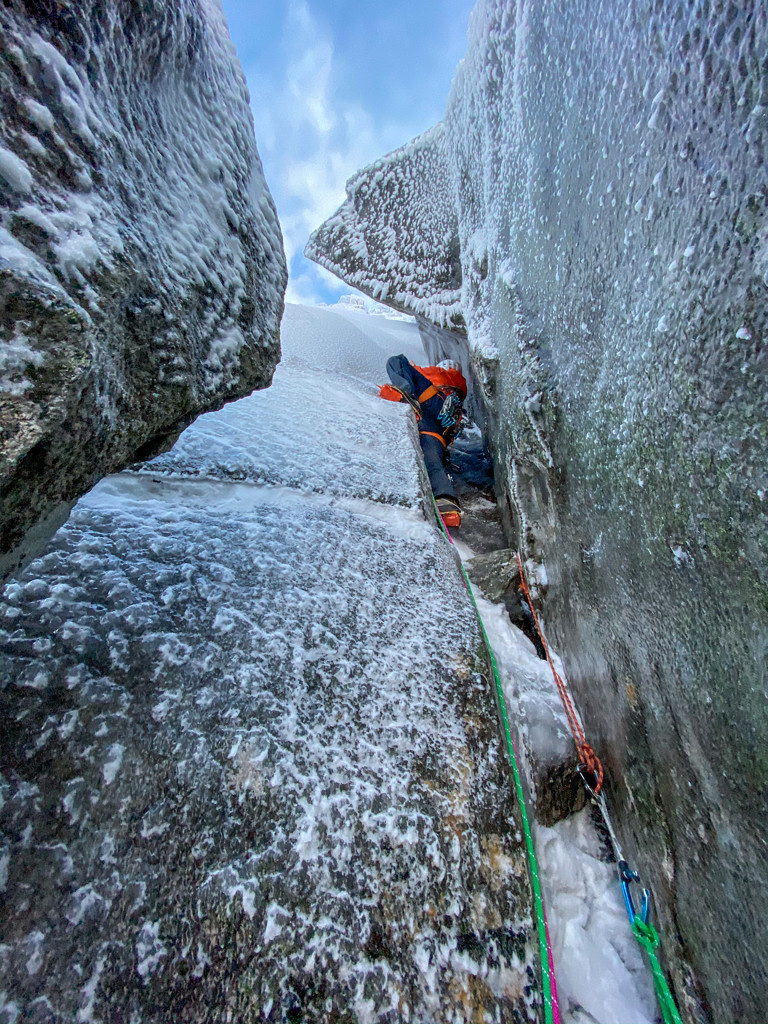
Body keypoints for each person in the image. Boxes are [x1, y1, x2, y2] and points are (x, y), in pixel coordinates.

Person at [379, 354, 467, 527]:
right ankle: (445, 502)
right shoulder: (459, 387)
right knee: (430, 452)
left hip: (428, 400)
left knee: (396, 361)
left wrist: (413, 367)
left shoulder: (435, 374)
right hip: (440, 424)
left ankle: (406, 397)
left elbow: (408, 368)